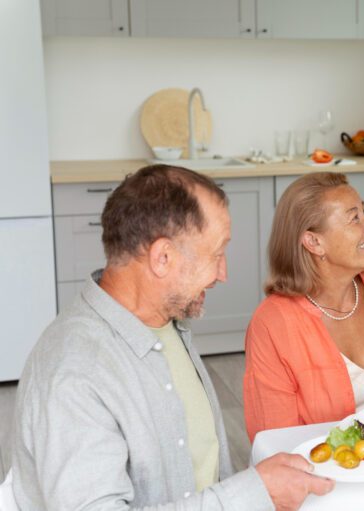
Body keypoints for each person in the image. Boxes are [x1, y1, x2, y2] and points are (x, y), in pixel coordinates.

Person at [12, 165, 334, 509]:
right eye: (217, 254)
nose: (223, 274)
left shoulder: (163, 321)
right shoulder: (76, 372)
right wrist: (253, 494)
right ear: (162, 258)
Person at [244, 172, 364, 439]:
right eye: (354, 218)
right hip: (321, 474)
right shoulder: (272, 324)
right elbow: (276, 440)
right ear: (314, 242)